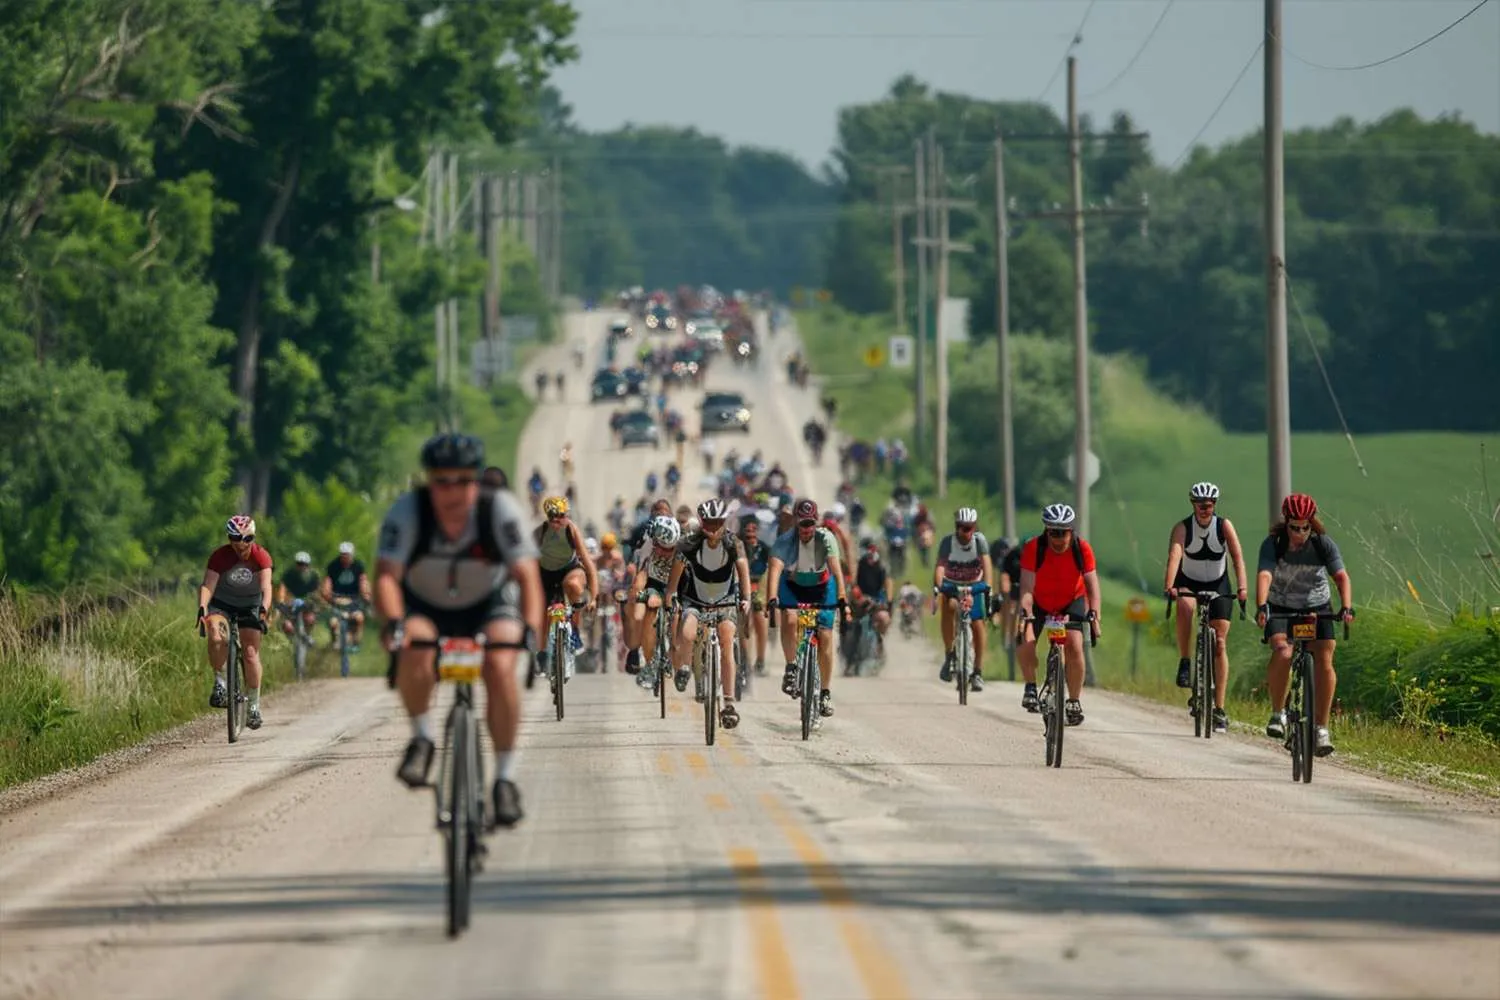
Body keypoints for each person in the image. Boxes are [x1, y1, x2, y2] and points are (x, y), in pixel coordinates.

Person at [376, 432, 542, 827]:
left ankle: (504, 780)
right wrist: (394, 624)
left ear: (478, 480)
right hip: (426, 604)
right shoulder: (408, 511)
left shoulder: (499, 509)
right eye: (442, 481)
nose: (453, 492)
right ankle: (422, 738)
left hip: (489, 602)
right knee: (414, 647)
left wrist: (532, 631)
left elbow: (527, 576)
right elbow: (386, 576)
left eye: (464, 481)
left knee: (501, 666)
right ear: (429, 481)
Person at [1255, 492, 1354, 757]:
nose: (1300, 533)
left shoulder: (1324, 544)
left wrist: (1346, 607)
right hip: (1281, 607)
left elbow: (1341, 576)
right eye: (1294, 527)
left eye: (1305, 527)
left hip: (1316, 607)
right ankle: (1278, 713)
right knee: (1283, 651)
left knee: (1324, 659)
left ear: (1312, 524)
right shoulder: (1273, 544)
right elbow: (1265, 574)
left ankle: (1321, 728)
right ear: (1285, 523)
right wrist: (1262, 605)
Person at [1162, 481, 1249, 733]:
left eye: (1209, 505)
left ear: (1214, 505)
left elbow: (1237, 557)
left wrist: (1242, 588)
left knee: (1220, 642)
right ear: (1193, 505)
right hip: (1188, 581)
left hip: (1218, 582)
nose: (1204, 509)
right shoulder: (1182, 528)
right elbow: (1175, 556)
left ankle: (1219, 708)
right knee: (1186, 607)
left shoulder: (1224, 526)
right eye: (1200, 505)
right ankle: (1186, 661)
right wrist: (1170, 585)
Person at [667, 499, 752, 728]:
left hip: (724, 601)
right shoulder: (688, 543)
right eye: (709, 523)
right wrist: (671, 598)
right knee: (687, 632)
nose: (713, 529)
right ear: (702, 522)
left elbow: (743, 571)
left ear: (724, 522)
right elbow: (674, 578)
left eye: (718, 523)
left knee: (727, 639)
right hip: (695, 600)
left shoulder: (733, 543)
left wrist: (746, 599)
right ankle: (684, 666)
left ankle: (729, 703)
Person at [1016, 503, 1101, 725]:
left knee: (1074, 645)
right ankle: (1031, 687)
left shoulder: (1081, 549)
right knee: (1026, 640)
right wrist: (1026, 609)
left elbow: (1092, 586)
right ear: (1046, 531)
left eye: (1062, 532)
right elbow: (1026, 585)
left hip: (1071, 600)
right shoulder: (1034, 547)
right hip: (1040, 601)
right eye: (1052, 532)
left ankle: (1073, 700)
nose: (1057, 538)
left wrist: (1094, 614)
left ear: (1071, 531)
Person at [765, 499, 850, 719]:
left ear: (816, 522)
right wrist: (772, 599)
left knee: (825, 635)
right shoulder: (785, 541)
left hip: (822, 588)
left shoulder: (827, 539)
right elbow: (774, 571)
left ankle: (825, 692)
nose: (806, 529)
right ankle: (791, 667)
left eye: (810, 524)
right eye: (802, 524)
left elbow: (836, 570)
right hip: (793, 586)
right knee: (790, 618)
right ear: (795, 522)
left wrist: (842, 598)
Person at [199, 516, 273, 728]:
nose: (241, 544)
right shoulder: (220, 557)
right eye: (235, 538)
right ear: (229, 539)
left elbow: (267, 587)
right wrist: (203, 607)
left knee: (250, 653)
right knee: (214, 631)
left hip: (250, 605)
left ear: (253, 538)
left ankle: (254, 706)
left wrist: (264, 609)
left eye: (247, 538)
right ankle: (221, 682)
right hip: (222, 603)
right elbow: (208, 585)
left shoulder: (261, 556)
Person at [532, 496, 600, 674]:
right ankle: (541, 654)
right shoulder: (539, 534)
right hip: (545, 573)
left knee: (573, 584)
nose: (562, 520)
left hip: (569, 569)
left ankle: (574, 630)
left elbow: (588, 564)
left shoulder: (571, 529)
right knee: (541, 615)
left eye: (565, 516)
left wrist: (593, 597)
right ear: (550, 518)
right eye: (558, 518)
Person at [930, 507, 993, 693]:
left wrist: (988, 588)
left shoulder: (979, 541)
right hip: (952, 584)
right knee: (948, 606)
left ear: (973, 528)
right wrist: (938, 585)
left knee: (978, 623)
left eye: (966, 528)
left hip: (974, 585)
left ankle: (978, 671)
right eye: (958, 527)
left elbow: (987, 566)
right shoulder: (947, 542)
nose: (961, 532)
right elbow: (940, 567)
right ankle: (950, 654)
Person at [625, 515, 682, 686]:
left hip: (677, 586)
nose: (663, 552)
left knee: (680, 614)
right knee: (645, 614)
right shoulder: (648, 549)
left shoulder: (684, 551)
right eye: (660, 547)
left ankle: (676, 653)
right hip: (655, 587)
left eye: (669, 549)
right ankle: (649, 662)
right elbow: (641, 576)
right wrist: (637, 593)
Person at [739, 516, 773, 675]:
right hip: (742, 586)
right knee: (745, 623)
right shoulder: (738, 547)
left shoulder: (764, 548)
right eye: (748, 531)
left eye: (753, 531)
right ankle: (744, 658)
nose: (750, 535)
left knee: (760, 621)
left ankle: (760, 659)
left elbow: (770, 569)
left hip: (759, 586)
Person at [320, 541, 371, 650]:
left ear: (352, 555)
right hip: (337, 599)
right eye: (343, 555)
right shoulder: (333, 566)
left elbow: (363, 581)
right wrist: (326, 594)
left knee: (359, 619)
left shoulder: (358, 566)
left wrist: (366, 595)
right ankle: (334, 641)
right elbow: (327, 583)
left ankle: (356, 643)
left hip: (354, 599)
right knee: (333, 623)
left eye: (347, 555)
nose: (345, 557)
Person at [852, 538, 894, 654]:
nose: (870, 553)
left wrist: (888, 603)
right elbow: (853, 582)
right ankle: (850, 653)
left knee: (883, 618)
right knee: (850, 623)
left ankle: (879, 641)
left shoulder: (882, 566)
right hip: (860, 599)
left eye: (873, 549)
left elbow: (888, 584)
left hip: (877, 600)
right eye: (868, 549)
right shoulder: (859, 564)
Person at [276, 551, 321, 642]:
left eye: (305, 564)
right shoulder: (289, 574)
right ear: (296, 564)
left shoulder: (313, 576)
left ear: (308, 565)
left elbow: (317, 592)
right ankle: (291, 640)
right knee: (287, 625)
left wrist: (315, 601)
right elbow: (283, 588)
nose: (302, 566)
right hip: (291, 602)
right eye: (299, 564)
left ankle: (307, 634)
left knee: (310, 619)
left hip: (307, 603)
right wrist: (281, 601)